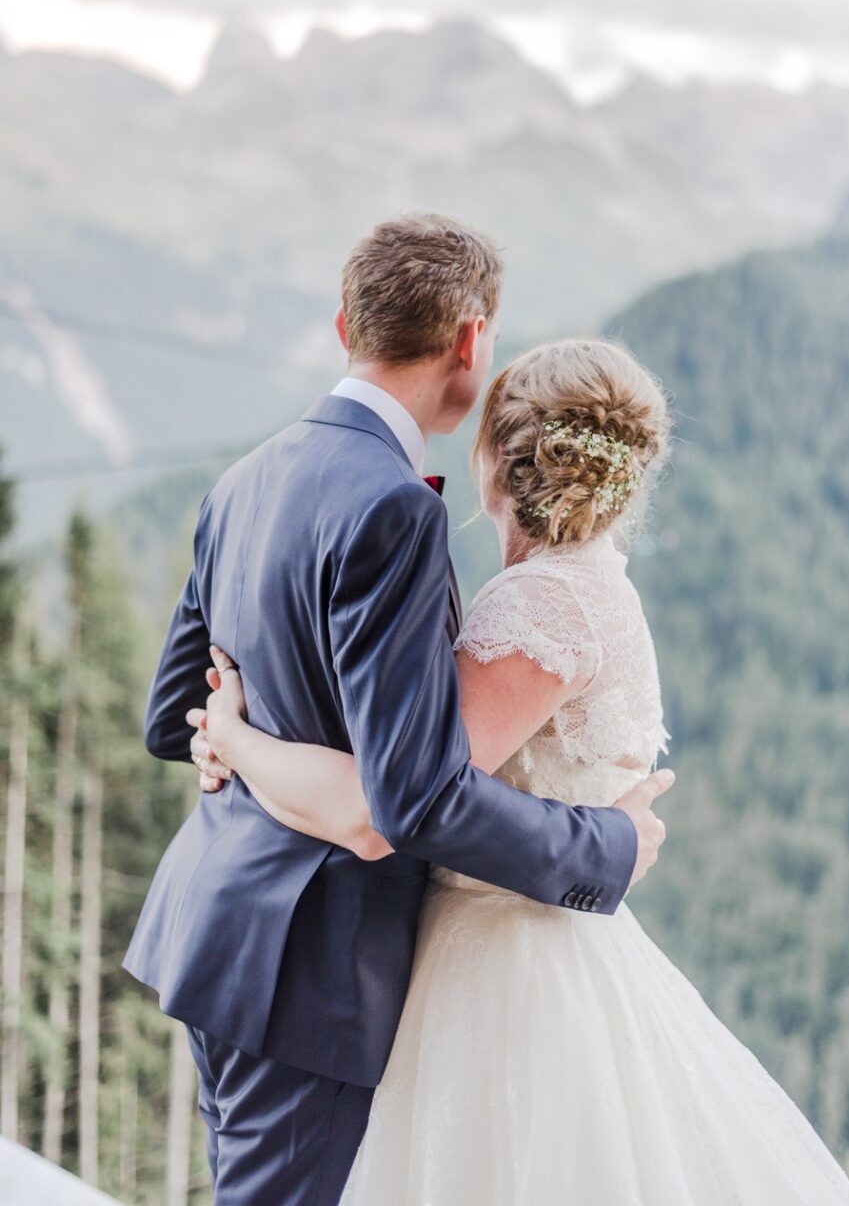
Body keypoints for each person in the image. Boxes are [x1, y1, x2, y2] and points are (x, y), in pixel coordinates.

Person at [190, 335, 849, 1206]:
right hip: (543, 943)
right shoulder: (593, 585)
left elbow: (406, 799)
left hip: (504, 969)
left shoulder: (540, 601)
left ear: (496, 463)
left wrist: (239, 737)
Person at [123, 214, 672, 1206]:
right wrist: (604, 849)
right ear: (469, 344)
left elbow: (174, 716)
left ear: (345, 328)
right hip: (312, 973)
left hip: (213, 936)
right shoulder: (393, 506)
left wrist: (231, 737)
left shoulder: (241, 480)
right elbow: (408, 801)